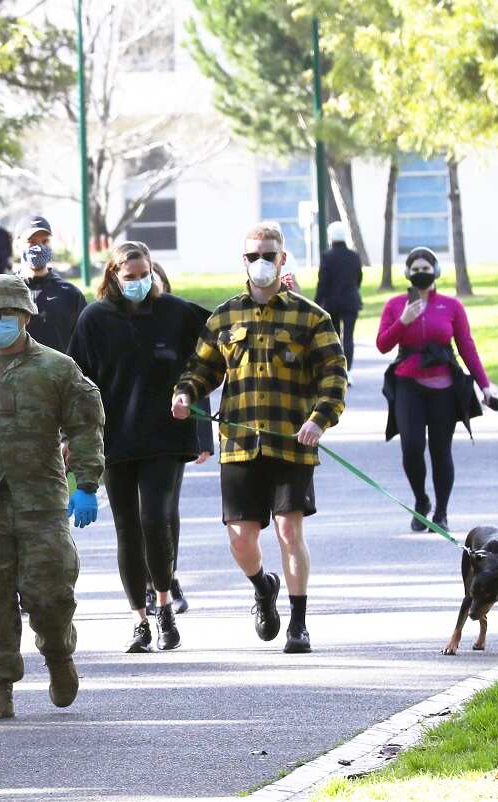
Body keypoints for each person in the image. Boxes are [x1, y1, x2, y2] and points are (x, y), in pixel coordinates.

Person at [172, 222, 347, 655]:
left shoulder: (312, 317)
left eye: (269, 254)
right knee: (241, 536)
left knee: (290, 531)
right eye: (253, 256)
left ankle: (299, 623)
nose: (261, 262)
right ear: (243, 261)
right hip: (240, 443)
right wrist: (184, 392)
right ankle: (262, 586)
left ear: (282, 258)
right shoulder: (225, 316)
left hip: (293, 443)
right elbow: (201, 369)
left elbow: (334, 377)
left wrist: (318, 421)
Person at [0, 275, 105, 719]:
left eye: (6, 314)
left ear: (25, 316)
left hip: (40, 500)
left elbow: (85, 424)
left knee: (50, 594)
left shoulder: (57, 369)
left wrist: (86, 484)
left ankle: (59, 656)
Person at [68, 241, 212, 654]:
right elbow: (76, 379)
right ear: (113, 277)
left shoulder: (175, 312)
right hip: (114, 440)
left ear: (153, 272)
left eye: (143, 275)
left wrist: (193, 392)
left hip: (166, 436)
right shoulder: (94, 319)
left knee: (156, 517)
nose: (137, 283)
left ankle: (164, 603)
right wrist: (72, 436)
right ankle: (139, 619)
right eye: (129, 277)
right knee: (127, 529)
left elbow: (223, 336)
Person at [376, 246, 493, 532]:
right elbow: (383, 345)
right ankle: (421, 500)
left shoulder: (451, 307)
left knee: (441, 450)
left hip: (444, 385)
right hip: (408, 383)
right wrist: (403, 321)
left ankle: (441, 511)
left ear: (436, 273)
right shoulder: (395, 305)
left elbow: (466, 346)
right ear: (407, 274)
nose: (420, 275)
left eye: (425, 270)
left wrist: (484, 385)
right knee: (412, 447)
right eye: (415, 271)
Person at [139, 261, 212, 618]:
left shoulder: (180, 321)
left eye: (153, 281)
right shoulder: (124, 324)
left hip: (173, 430)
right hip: (131, 433)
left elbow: (200, 375)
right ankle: (148, 584)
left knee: (165, 511)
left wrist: (203, 435)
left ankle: (167, 578)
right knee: (140, 514)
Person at [18, 215, 88, 354]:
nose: (39, 247)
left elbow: (86, 346)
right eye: (31, 242)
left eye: (45, 241)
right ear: (17, 244)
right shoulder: (5, 292)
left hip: (61, 375)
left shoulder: (70, 295)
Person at [315, 221, 363, 385]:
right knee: (348, 337)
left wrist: (316, 303)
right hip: (351, 301)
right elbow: (358, 279)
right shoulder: (354, 256)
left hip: (332, 303)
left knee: (335, 337)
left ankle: (337, 371)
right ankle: (348, 371)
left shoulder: (327, 256)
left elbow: (323, 283)